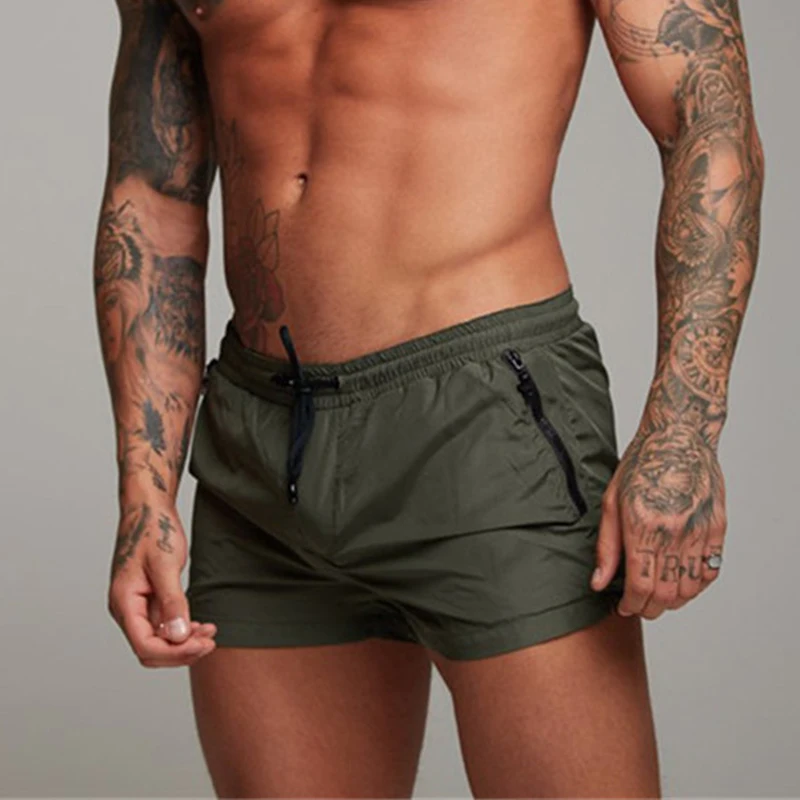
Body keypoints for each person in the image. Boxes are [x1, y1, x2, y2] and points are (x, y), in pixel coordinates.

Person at [96, 0, 763, 796]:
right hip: (261, 444)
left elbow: (707, 119)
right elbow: (153, 189)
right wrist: (145, 492)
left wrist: (683, 430)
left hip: (488, 423)